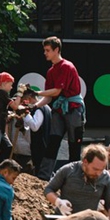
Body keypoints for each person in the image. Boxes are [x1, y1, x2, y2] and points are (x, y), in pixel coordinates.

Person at [34, 36, 85, 180]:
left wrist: (36, 93)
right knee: (53, 142)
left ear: (57, 50)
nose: (45, 53)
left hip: (73, 108)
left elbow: (56, 91)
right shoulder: (51, 71)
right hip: (59, 108)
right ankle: (44, 176)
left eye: (48, 50)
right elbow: (49, 97)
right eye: (45, 50)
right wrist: (34, 106)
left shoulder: (67, 66)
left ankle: (75, 177)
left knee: (74, 143)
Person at [44, 143, 110, 220]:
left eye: (101, 170)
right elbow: (48, 189)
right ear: (85, 162)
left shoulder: (106, 177)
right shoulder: (68, 170)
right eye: (95, 169)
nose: (98, 174)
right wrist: (59, 202)